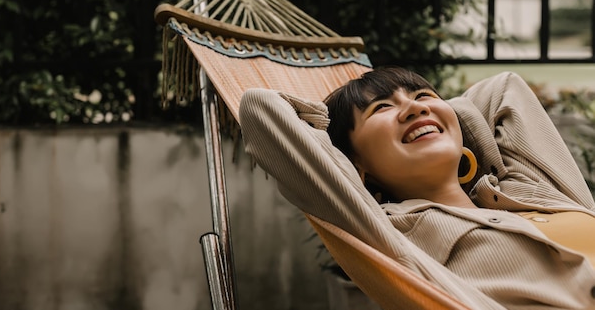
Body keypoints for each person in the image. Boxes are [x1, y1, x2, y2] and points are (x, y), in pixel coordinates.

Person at [238, 66, 595, 310]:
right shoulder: (393, 232)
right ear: (354, 164)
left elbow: (503, 88)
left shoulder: (523, 191)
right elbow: (261, 109)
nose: (412, 108)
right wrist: (337, 138)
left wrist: (447, 121)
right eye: (381, 108)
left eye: (422, 95)